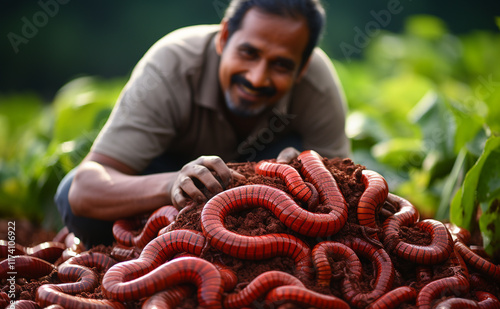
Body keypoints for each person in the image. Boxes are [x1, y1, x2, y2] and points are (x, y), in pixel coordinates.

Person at [55, 0, 350, 249]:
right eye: (249, 53)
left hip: (267, 201)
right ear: (224, 37)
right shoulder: (172, 64)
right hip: (169, 182)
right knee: (77, 206)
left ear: (303, 67)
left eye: (281, 65)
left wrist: (301, 171)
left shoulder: (318, 84)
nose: (258, 78)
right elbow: (84, 189)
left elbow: (340, 186)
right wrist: (172, 184)